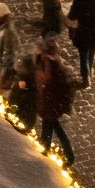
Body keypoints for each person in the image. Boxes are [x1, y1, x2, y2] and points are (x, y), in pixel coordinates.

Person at [35, 34, 75, 165]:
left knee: (51, 128)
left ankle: (47, 154)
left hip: (50, 104)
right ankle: (66, 155)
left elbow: (52, 86)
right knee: (54, 127)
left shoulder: (53, 65)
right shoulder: (45, 62)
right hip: (48, 103)